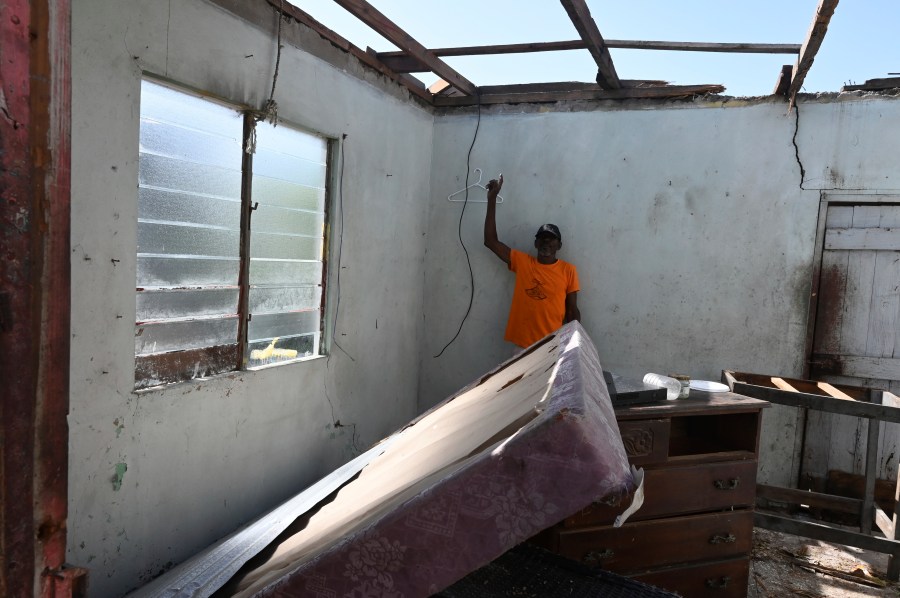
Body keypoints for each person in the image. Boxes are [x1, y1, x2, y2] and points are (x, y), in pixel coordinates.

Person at [483, 175, 581, 349]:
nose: (546, 242)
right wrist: (492, 200)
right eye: (542, 238)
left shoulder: (568, 270)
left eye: (551, 239)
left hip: (552, 346)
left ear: (559, 245)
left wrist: (573, 345)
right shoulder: (523, 262)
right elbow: (490, 241)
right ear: (535, 243)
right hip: (522, 346)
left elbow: (572, 311)